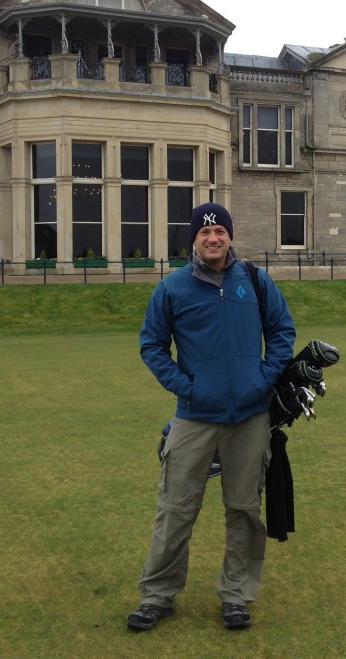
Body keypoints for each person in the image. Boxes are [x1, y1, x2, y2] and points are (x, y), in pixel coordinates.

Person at [128, 202, 296, 632]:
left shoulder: (255, 281)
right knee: (175, 508)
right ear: (194, 240)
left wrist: (262, 380)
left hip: (249, 418)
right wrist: (188, 387)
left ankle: (236, 595)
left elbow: (281, 333)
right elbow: (152, 345)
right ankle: (157, 596)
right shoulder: (172, 288)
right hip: (194, 418)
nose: (213, 239)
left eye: (220, 230)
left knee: (243, 509)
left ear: (230, 236)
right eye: (204, 233)